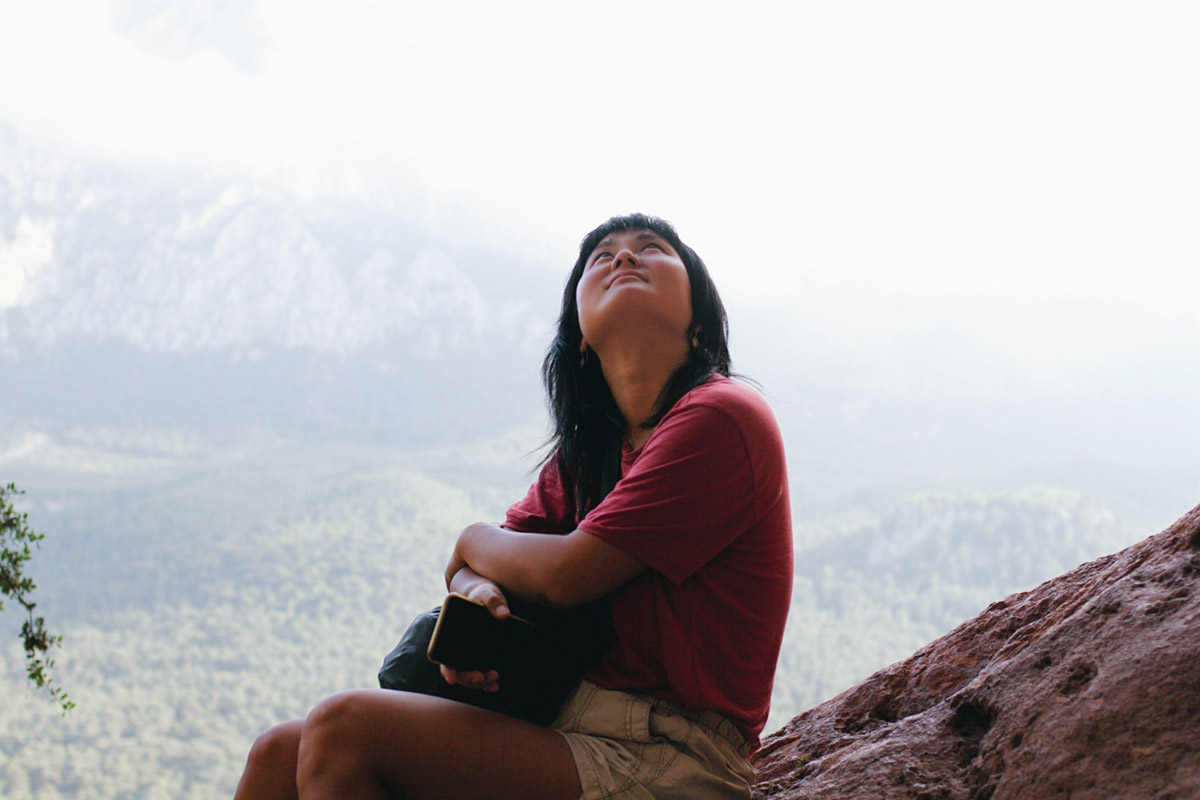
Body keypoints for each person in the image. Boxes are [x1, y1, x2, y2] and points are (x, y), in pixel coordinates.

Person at [233, 213, 792, 800]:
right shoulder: (591, 452)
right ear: (580, 334)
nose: (624, 257)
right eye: (602, 256)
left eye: (651, 248)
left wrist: (469, 539)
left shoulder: (722, 417)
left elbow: (563, 574)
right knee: (277, 752)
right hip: (565, 715)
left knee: (344, 729)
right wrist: (477, 587)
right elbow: (485, 566)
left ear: (699, 320)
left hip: (671, 751)